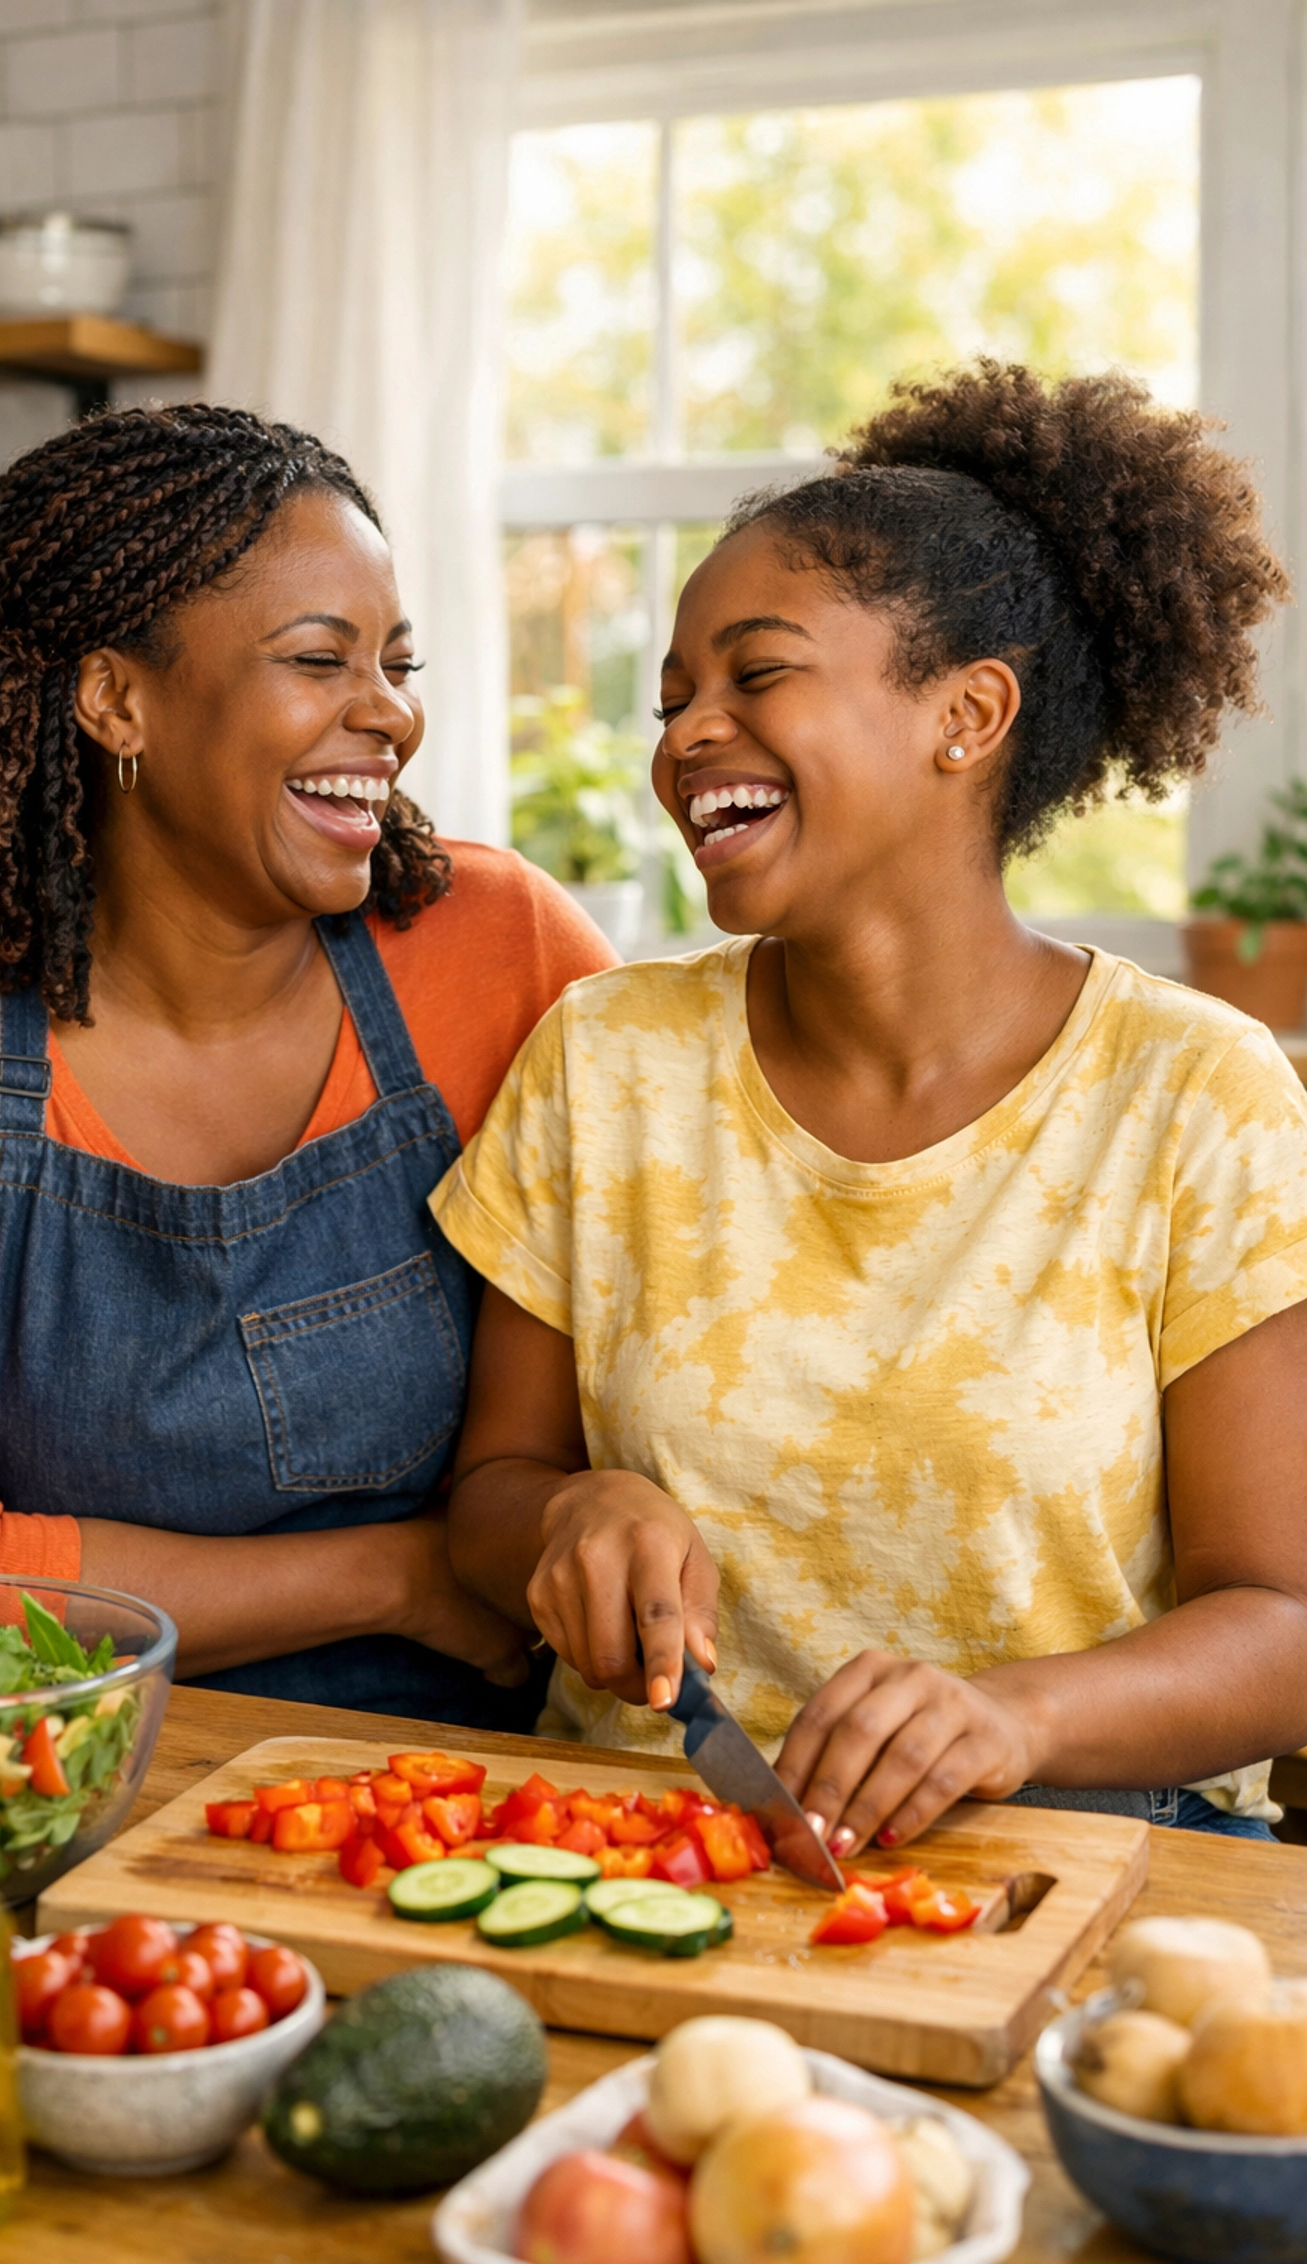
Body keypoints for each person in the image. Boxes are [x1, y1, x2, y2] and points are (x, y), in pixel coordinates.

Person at [437, 360, 1307, 1840]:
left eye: (756, 674)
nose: (685, 736)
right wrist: (568, 1515)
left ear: (967, 715)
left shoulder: (1195, 1093)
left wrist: (1009, 1716)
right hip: (655, 1849)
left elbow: (1283, 1625)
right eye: (672, 700)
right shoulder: (608, 1060)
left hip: (1083, 1850)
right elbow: (490, 1495)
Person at [0, 402, 615, 1727]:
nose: (389, 712)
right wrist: (400, 1573)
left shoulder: (502, 949)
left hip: (478, 1780)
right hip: (69, 1781)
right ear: (118, 699)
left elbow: (688, 1359)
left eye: (398, 662)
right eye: (317, 659)